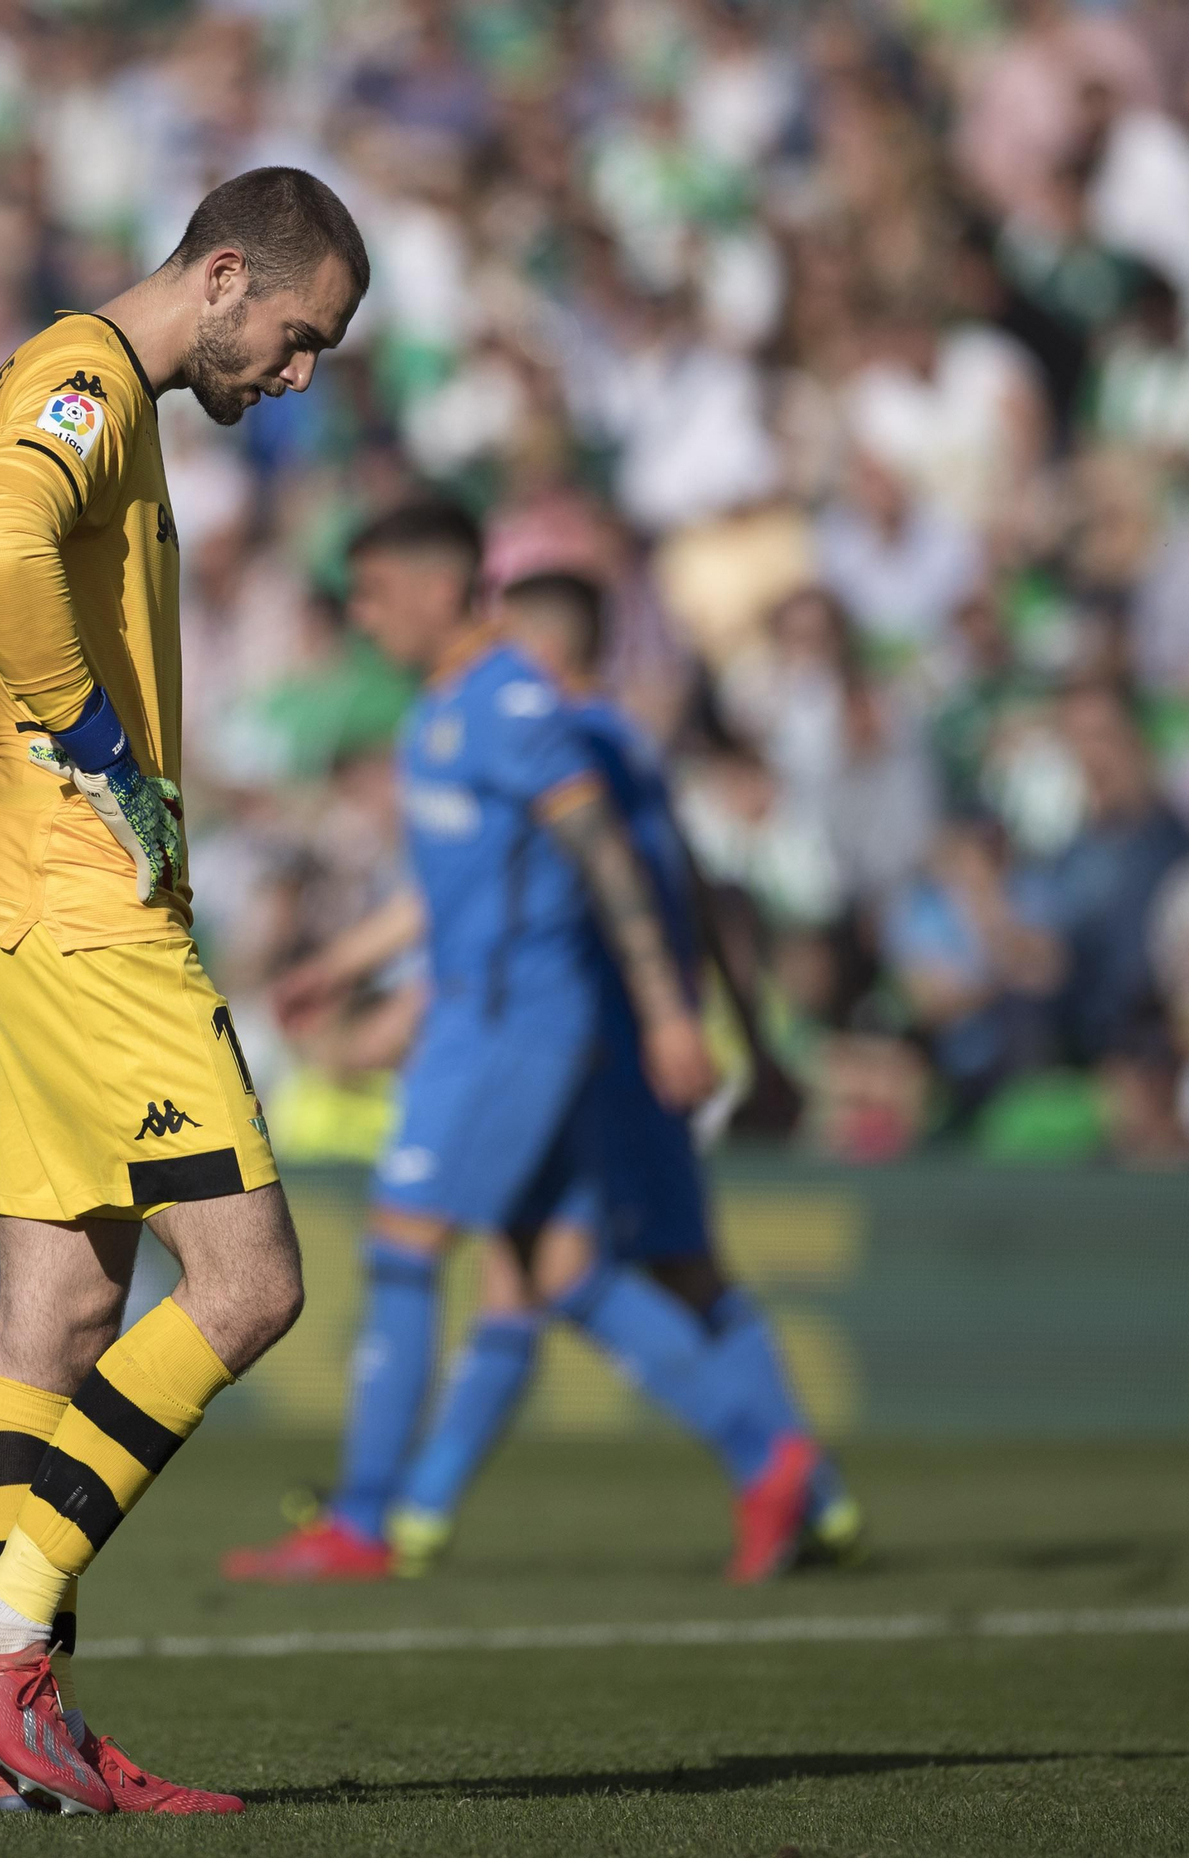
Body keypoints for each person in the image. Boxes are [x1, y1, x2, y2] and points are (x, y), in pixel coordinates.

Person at [0, 167, 369, 1818]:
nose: (296, 377)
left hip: (15, 906)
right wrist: (91, 731)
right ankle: (2, 1636)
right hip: (92, 913)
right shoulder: (85, 377)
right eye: (298, 340)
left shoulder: (97, 386)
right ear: (226, 275)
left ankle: (22, 1741)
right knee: (248, 1285)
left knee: (61, 1314)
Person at [222, 521, 837, 1588]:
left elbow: (609, 859)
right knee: (564, 1273)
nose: (360, 619)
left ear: (434, 585)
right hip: (490, 1012)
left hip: (513, 1019)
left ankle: (366, 1519)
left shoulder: (515, 704)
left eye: (371, 594)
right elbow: (459, 882)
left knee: (404, 1244)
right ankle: (768, 1453)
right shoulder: (441, 712)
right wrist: (344, 958)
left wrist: (670, 1013)